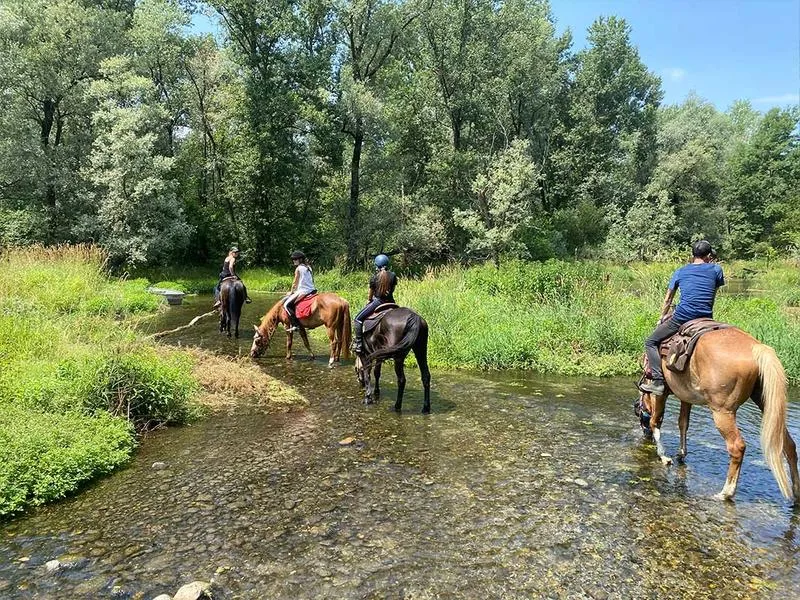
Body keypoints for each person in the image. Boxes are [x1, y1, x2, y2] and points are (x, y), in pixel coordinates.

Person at [640, 240, 725, 396]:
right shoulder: (716, 269)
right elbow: (712, 295)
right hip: (706, 316)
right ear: (708, 256)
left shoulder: (680, 271)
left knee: (650, 341)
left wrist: (662, 317)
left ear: (692, 255)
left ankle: (658, 381)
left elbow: (668, 299)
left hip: (682, 318)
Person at [353, 254, 398, 354]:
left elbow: (370, 294)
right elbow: (393, 290)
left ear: (377, 265)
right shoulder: (393, 275)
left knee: (357, 319)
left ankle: (359, 344)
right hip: (391, 302)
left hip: (378, 302)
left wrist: (369, 300)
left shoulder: (374, 277)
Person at [284, 251, 316, 332]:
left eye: (295, 259)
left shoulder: (298, 269)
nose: (293, 261)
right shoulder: (308, 267)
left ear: (300, 259)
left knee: (287, 305)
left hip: (303, 291)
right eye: (293, 259)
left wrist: (291, 292)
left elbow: (295, 283)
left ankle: (296, 325)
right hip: (312, 290)